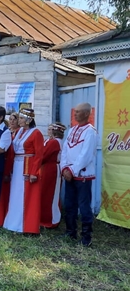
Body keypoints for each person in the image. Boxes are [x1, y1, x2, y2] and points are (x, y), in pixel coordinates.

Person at [2, 108, 44, 234]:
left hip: (27, 166)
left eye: (20, 118)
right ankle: (13, 222)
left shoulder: (36, 133)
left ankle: (27, 225)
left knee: (27, 195)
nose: (18, 120)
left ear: (28, 120)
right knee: (15, 194)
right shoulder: (19, 131)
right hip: (16, 165)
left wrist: (34, 172)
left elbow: (39, 154)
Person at [60, 103, 97, 246]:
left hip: (82, 175)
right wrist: (64, 168)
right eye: (75, 111)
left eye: (79, 112)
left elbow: (86, 155)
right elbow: (65, 151)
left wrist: (72, 170)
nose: (75, 114)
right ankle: (70, 231)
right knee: (70, 204)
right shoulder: (72, 130)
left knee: (84, 205)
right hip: (69, 174)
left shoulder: (90, 131)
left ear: (87, 114)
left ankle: (86, 237)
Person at [39, 122, 66, 228]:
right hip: (47, 168)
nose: (48, 131)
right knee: (45, 193)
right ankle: (44, 217)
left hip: (51, 169)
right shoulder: (50, 141)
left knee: (50, 194)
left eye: (50, 129)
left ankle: (52, 219)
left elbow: (44, 155)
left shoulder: (54, 142)